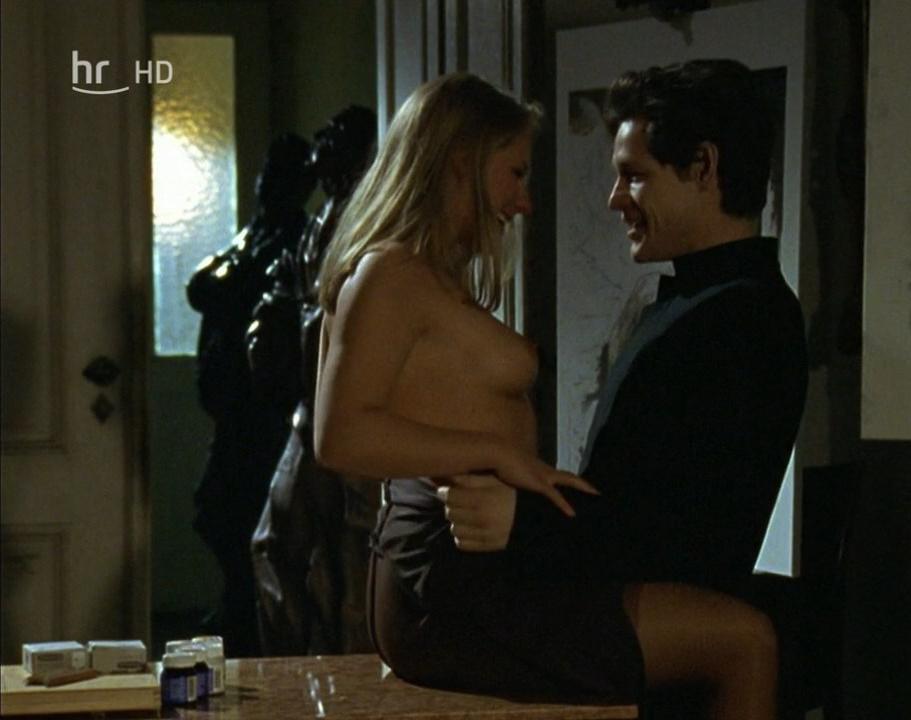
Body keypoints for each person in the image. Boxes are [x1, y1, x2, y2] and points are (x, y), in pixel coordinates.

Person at [314, 66, 806, 718]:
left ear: (704, 167)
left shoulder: (737, 314)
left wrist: (526, 516)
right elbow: (341, 434)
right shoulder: (395, 273)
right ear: (462, 163)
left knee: (747, 638)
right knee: (746, 640)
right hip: (454, 566)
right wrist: (502, 469)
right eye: (516, 173)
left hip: (498, 557)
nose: (527, 202)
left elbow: (690, 520)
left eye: (633, 175)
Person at [249, 105, 378, 655]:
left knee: (350, 562)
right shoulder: (318, 219)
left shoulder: (369, 219)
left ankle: (344, 676)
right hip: (308, 415)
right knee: (273, 547)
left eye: (334, 136)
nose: (320, 143)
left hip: (347, 413)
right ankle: (298, 667)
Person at [187, 132, 319, 656]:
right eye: (265, 173)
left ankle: (249, 619)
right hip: (233, 410)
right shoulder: (254, 233)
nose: (265, 185)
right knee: (215, 508)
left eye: (277, 175)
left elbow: (226, 287)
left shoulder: (293, 240)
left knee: (241, 515)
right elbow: (202, 283)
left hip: (262, 410)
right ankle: (237, 605)